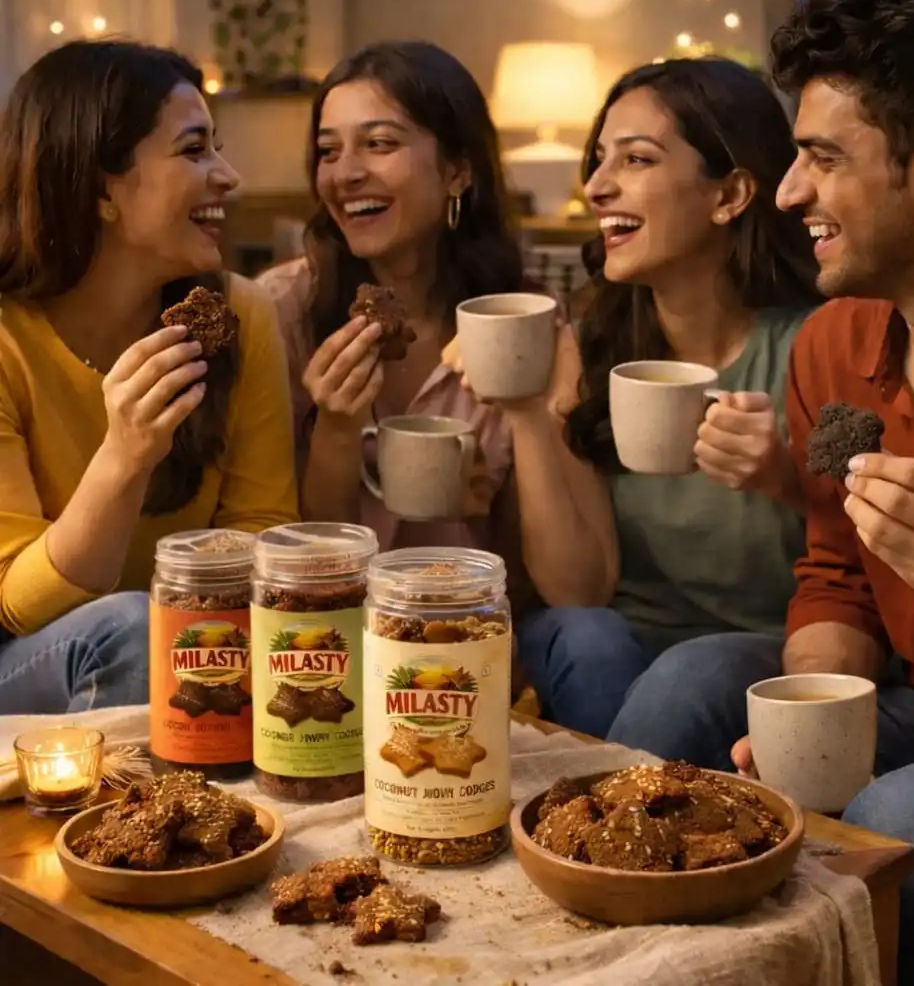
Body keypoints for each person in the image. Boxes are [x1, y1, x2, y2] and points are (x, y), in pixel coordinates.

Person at [632, 0, 914, 982]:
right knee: (690, 684)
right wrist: (815, 709)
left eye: (818, 158)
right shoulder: (836, 349)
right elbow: (835, 571)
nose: (790, 191)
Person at [508, 58, 823, 745]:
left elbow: (868, 561)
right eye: (599, 161)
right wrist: (532, 412)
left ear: (730, 193)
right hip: (617, 656)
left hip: (768, 654)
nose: (596, 187)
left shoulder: (817, 347)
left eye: (637, 159)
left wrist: (782, 477)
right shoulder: (591, 349)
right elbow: (580, 589)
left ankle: (599, 831)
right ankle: (621, 824)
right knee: (583, 636)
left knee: (694, 670)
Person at [0, 40, 299, 715]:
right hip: (29, 659)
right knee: (130, 630)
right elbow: (17, 604)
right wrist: (125, 456)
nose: (228, 176)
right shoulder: (7, 338)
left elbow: (264, 529)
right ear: (101, 186)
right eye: (195, 151)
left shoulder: (239, 316)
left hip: (187, 645)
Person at [260, 40, 556, 604]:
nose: (345, 173)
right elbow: (305, 564)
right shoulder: (279, 312)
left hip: (479, 622)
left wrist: (493, 502)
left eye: (379, 144)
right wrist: (337, 430)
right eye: (328, 151)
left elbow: (550, 583)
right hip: (334, 627)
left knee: (588, 640)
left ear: (457, 171)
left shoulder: (524, 319)